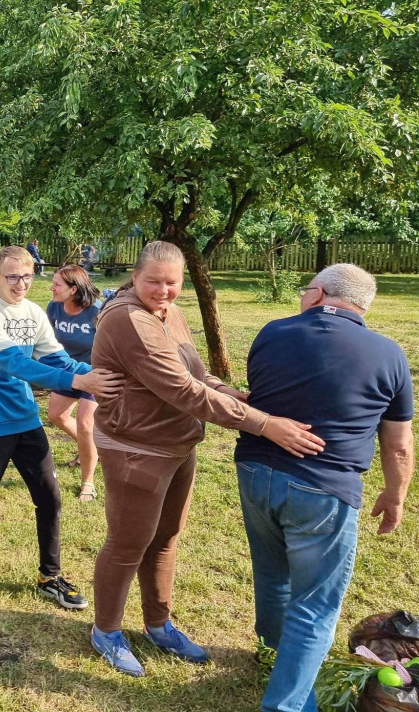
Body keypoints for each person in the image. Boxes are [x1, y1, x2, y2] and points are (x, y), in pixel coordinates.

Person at [89, 241, 325, 678]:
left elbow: (192, 371)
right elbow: (181, 390)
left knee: (166, 536)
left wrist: (224, 389)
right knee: (128, 542)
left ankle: (159, 624)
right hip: (137, 448)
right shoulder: (130, 319)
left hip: (177, 441)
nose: (163, 290)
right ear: (135, 277)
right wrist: (262, 423)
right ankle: (106, 631)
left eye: (172, 283)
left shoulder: (166, 311)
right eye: (153, 281)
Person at [235, 264, 414, 712]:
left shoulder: (272, 332)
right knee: (314, 607)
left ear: (317, 294)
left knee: (274, 574)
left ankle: (274, 653)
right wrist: (395, 496)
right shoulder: (389, 354)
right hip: (325, 489)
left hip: (256, 473)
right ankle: (286, 704)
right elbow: (398, 445)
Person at [0, 245, 123, 612]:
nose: (20, 284)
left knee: (49, 496)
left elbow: (55, 356)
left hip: (26, 415)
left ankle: (50, 575)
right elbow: (16, 363)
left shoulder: (33, 312)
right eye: (12, 276)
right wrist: (79, 383)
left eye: (27, 276)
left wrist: (91, 375)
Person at [46, 265, 113, 500]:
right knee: (56, 415)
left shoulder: (97, 311)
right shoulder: (54, 307)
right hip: (68, 371)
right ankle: (93, 449)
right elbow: (48, 340)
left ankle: (88, 482)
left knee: (85, 425)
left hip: (95, 373)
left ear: (73, 289)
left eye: (57, 284)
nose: (51, 287)